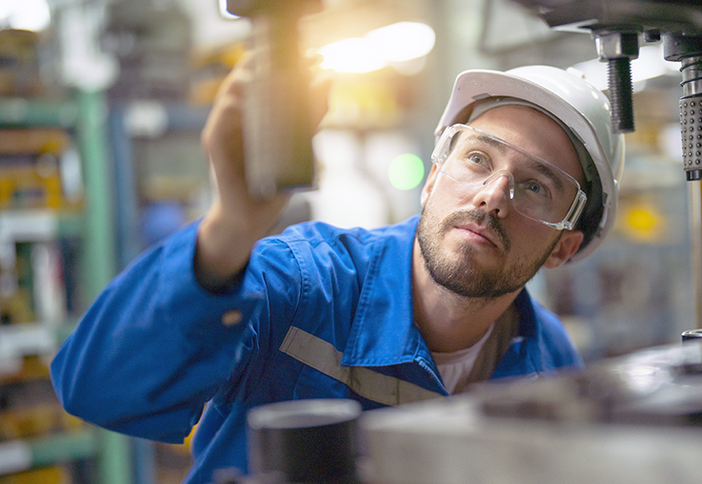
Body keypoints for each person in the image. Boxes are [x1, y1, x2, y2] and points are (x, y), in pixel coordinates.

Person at [50, 60, 624, 483]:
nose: (493, 196)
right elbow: (98, 389)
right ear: (432, 178)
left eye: (534, 187)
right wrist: (229, 229)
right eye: (477, 158)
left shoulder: (547, 362)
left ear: (562, 249)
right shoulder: (303, 286)